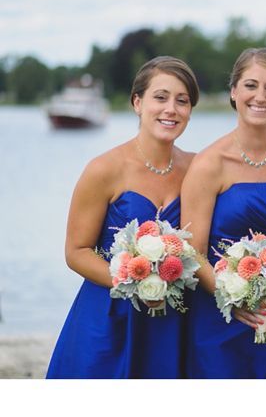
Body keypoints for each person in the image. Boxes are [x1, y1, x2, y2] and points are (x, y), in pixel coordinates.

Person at [47, 57, 199, 378]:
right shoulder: (104, 169)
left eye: (182, 101)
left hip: (172, 322)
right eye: (160, 97)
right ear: (137, 102)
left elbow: (245, 167)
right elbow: (76, 252)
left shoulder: (200, 169)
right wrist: (137, 281)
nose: (171, 109)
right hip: (109, 317)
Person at [181, 47, 266, 378]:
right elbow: (192, 252)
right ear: (234, 91)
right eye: (251, 85)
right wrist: (233, 296)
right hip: (223, 316)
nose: (260, 96)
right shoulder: (209, 164)